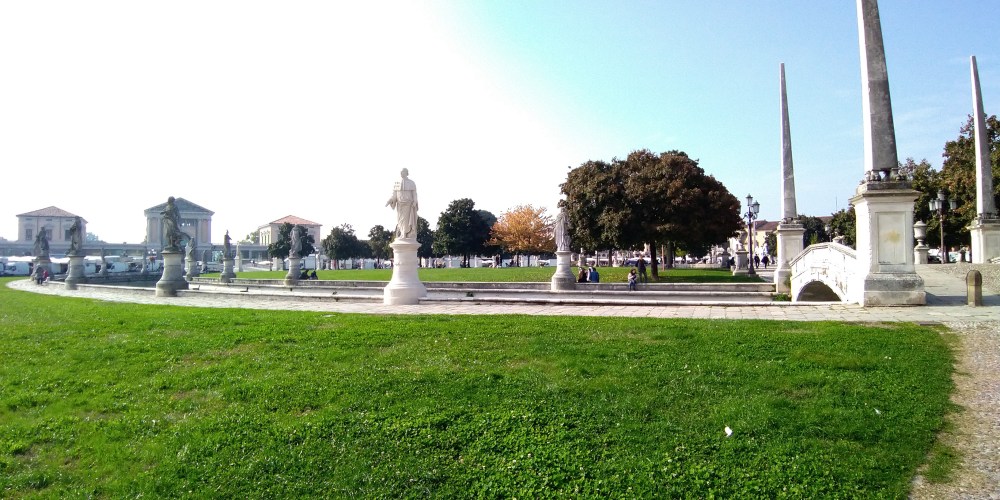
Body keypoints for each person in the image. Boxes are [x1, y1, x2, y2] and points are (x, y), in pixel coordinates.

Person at [385, 168, 418, 240]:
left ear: (406, 173)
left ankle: (405, 234)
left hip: (408, 204)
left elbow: (414, 194)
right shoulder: (397, 183)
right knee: (400, 220)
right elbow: (394, 195)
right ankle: (402, 233)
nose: (401, 173)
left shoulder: (411, 183)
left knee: (406, 220)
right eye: (401, 172)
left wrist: (415, 201)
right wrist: (389, 200)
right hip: (400, 205)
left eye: (403, 172)